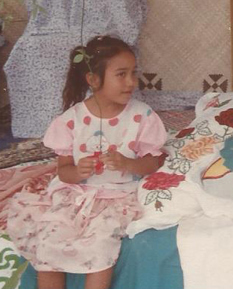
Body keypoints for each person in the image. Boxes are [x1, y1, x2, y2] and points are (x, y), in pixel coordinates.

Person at [6, 35, 167, 289]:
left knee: (100, 245)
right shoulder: (71, 120)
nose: (131, 82)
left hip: (116, 197)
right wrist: (78, 171)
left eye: (133, 73)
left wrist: (128, 163)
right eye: (121, 74)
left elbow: (153, 162)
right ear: (93, 79)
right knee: (48, 244)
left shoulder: (141, 116)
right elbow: (64, 172)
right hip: (74, 196)